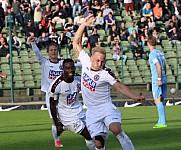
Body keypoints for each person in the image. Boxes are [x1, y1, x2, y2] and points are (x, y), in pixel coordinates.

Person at [73, 15, 146, 150]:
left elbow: (119, 86)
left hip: (105, 107)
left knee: (116, 130)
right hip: (91, 111)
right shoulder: (85, 61)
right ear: (92, 57)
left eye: (102, 61)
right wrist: (83, 25)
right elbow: (76, 43)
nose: (100, 63)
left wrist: (135, 97)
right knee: (99, 143)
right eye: (97, 60)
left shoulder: (106, 72)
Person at [26, 37, 81, 147]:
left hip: (63, 95)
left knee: (66, 117)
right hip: (50, 95)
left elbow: (76, 64)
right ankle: (57, 139)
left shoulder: (63, 63)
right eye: (51, 50)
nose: (53, 52)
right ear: (48, 52)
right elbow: (37, 54)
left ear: (58, 51)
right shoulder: (45, 62)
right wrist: (33, 43)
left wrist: (89, 64)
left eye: (55, 50)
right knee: (55, 119)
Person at [49, 58, 95, 150]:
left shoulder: (78, 79)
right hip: (67, 116)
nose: (70, 70)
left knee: (94, 132)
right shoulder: (56, 85)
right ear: (63, 68)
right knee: (88, 135)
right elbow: (52, 105)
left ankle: (62, 127)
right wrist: (56, 122)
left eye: (72, 68)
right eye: (67, 68)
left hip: (79, 111)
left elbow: (89, 90)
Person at [147, 36, 167, 128]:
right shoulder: (160, 52)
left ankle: (162, 122)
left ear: (148, 43)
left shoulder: (152, 54)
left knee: (157, 99)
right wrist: (163, 77)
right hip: (163, 78)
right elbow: (164, 66)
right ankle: (160, 120)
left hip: (157, 79)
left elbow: (158, 66)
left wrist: (159, 79)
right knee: (161, 99)